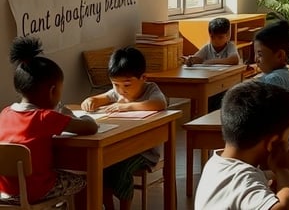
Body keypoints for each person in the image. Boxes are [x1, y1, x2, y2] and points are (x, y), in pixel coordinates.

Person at [195, 80, 289, 208]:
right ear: (272, 143)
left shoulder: (220, 164)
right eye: (287, 139)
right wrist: (284, 172)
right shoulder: (243, 182)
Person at [0, 37, 97, 205]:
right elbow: (90, 127)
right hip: (36, 191)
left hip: (5, 192)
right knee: (83, 182)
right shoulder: (46, 117)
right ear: (52, 91)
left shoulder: (5, 113)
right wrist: (82, 116)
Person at [81, 47, 167, 210]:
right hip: (119, 146)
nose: (121, 90)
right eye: (115, 84)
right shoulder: (118, 92)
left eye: (127, 84)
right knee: (101, 168)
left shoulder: (150, 89)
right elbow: (103, 98)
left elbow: (160, 103)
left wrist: (129, 107)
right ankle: (108, 206)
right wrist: (91, 100)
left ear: (143, 78)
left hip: (144, 152)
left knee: (121, 170)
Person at [253, 19, 289, 161]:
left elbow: (273, 119)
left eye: (260, 54)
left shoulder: (273, 79)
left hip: (286, 146)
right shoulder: (280, 73)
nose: (256, 59)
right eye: (255, 54)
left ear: (280, 55)